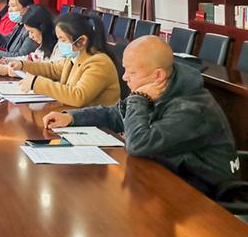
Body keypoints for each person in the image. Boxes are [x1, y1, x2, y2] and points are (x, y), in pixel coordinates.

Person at [42, 36, 239, 196]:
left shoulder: (191, 108)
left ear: (158, 75)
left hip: (204, 194)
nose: (124, 77)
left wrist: (138, 98)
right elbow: (117, 114)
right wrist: (72, 118)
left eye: (132, 72)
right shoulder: (163, 87)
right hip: (168, 177)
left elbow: (139, 144)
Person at [7, 12, 120, 107]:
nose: (59, 44)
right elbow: (52, 68)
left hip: (96, 123)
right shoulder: (75, 57)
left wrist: (36, 83)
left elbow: (78, 96)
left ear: (82, 41)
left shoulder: (99, 63)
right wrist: (22, 65)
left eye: (63, 40)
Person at [0, 4, 57, 75]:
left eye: (31, 32)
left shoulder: (57, 49)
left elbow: (43, 72)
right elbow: (29, 59)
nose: (30, 36)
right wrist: (5, 60)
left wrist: (10, 71)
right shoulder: (42, 47)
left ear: (43, 28)